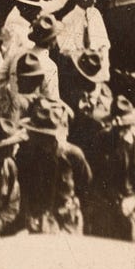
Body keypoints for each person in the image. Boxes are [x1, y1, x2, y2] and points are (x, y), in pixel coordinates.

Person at [89, 97, 135, 245]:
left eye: (126, 127)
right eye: (118, 128)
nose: (121, 131)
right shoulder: (102, 139)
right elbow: (97, 176)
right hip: (110, 202)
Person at [17, 98, 92, 234]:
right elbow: (24, 190)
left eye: (47, 137)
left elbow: (86, 187)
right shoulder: (28, 155)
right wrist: (28, 216)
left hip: (67, 222)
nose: (43, 142)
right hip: (38, 221)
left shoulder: (73, 155)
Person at [48, 0, 110, 75]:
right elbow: (65, 49)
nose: (95, 1)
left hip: (97, 63)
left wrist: (102, 60)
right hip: (79, 68)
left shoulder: (95, 13)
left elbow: (103, 40)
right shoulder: (69, 19)